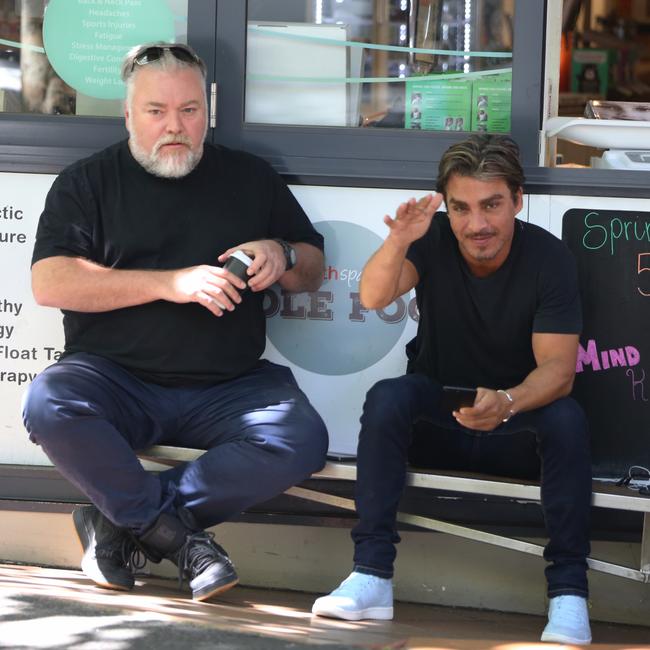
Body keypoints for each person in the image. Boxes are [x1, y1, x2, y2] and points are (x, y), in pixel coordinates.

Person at [22, 42, 328, 602]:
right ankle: (176, 538)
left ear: (207, 111)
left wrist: (280, 251)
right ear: (128, 113)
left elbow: (311, 268)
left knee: (300, 439)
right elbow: (51, 283)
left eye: (189, 110)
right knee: (48, 403)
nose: (175, 126)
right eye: (156, 111)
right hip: (115, 377)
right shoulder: (87, 182)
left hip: (229, 382)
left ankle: (117, 519)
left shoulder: (248, 177)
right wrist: (171, 282)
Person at [312, 135, 592, 645]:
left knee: (567, 418)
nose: (476, 224)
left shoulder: (548, 257)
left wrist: (507, 402)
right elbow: (374, 295)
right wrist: (400, 239)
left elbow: (559, 370)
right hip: (442, 417)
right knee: (388, 398)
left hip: (516, 426)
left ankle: (569, 597)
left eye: (491, 206)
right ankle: (372, 577)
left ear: (518, 199)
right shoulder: (435, 237)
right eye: (461, 208)